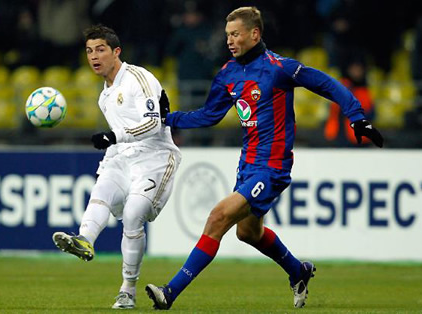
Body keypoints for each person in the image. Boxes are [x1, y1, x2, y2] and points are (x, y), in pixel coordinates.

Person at [146, 6, 383, 310]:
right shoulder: (228, 73)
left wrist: (357, 118)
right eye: (227, 35)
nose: (230, 40)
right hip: (248, 165)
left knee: (218, 217)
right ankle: (298, 271)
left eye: (236, 34)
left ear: (254, 34)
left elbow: (327, 83)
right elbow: (209, 115)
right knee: (248, 232)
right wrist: (169, 118)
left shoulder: (279, 68)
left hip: (272, 167)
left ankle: (170, 293)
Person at [52, 25, 181, 310]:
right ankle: (84, 239)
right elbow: (121, 137)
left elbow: (154, 122)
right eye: (89, 51)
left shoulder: (138, 78)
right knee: (101, 191)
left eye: (100, 50)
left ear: (116, 52)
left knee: (134, 215)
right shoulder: (104, 96)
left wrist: (114, 136)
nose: (94, 57)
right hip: (123, 156)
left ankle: (128, 289)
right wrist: (115, 143)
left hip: (156, 157)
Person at [324, 58, 375, 146]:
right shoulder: (342, 85)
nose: (357, 72)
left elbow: (371, 113)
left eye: (359, 69)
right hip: (339, 134)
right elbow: (334, 109)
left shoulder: (365, 90)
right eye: (354, 69)